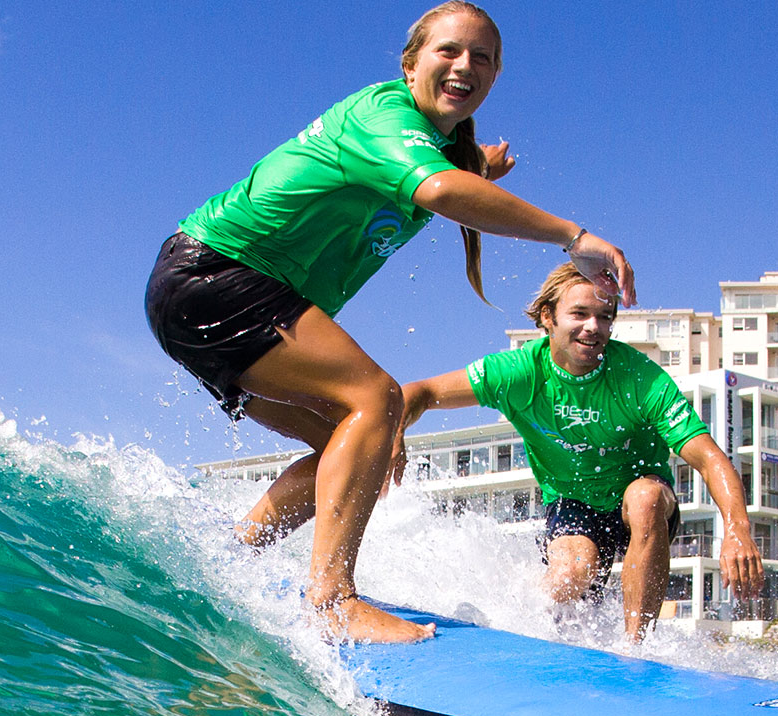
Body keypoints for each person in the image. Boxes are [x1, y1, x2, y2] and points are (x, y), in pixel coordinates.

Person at [145, 2, 635, 643]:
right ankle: (333, 601)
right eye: (449, 51)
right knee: (375, 401)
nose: (466, 66)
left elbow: (449, 177)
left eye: (483, 58)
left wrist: (480, 167)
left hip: (202, 293)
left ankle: (233, 558)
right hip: (218, 276)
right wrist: (574, 237)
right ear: (410, 64)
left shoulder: (429, 145)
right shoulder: (383, 115)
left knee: (347, 449)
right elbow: (438, 190)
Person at [399, 266, 763, 639]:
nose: (594, 326)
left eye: (605, 317)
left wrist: (737, 529)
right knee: (569, 576)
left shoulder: (639, 378)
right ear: (548, 316)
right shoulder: (519, 373)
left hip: (640, 502)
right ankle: (536, 638)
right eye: (580, 314)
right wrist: (394, 435)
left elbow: (709, 457)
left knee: (645, 497)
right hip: (573, 501)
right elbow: (420, 393)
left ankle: (638, 648)